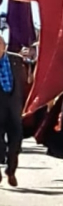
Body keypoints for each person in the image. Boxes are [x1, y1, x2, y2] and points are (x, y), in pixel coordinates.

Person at [0, 36, 30, 187]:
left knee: (16, 141)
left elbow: (28, 79)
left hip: (14, 107)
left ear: (4, 46)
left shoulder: (16, 60)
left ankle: (11, 171)